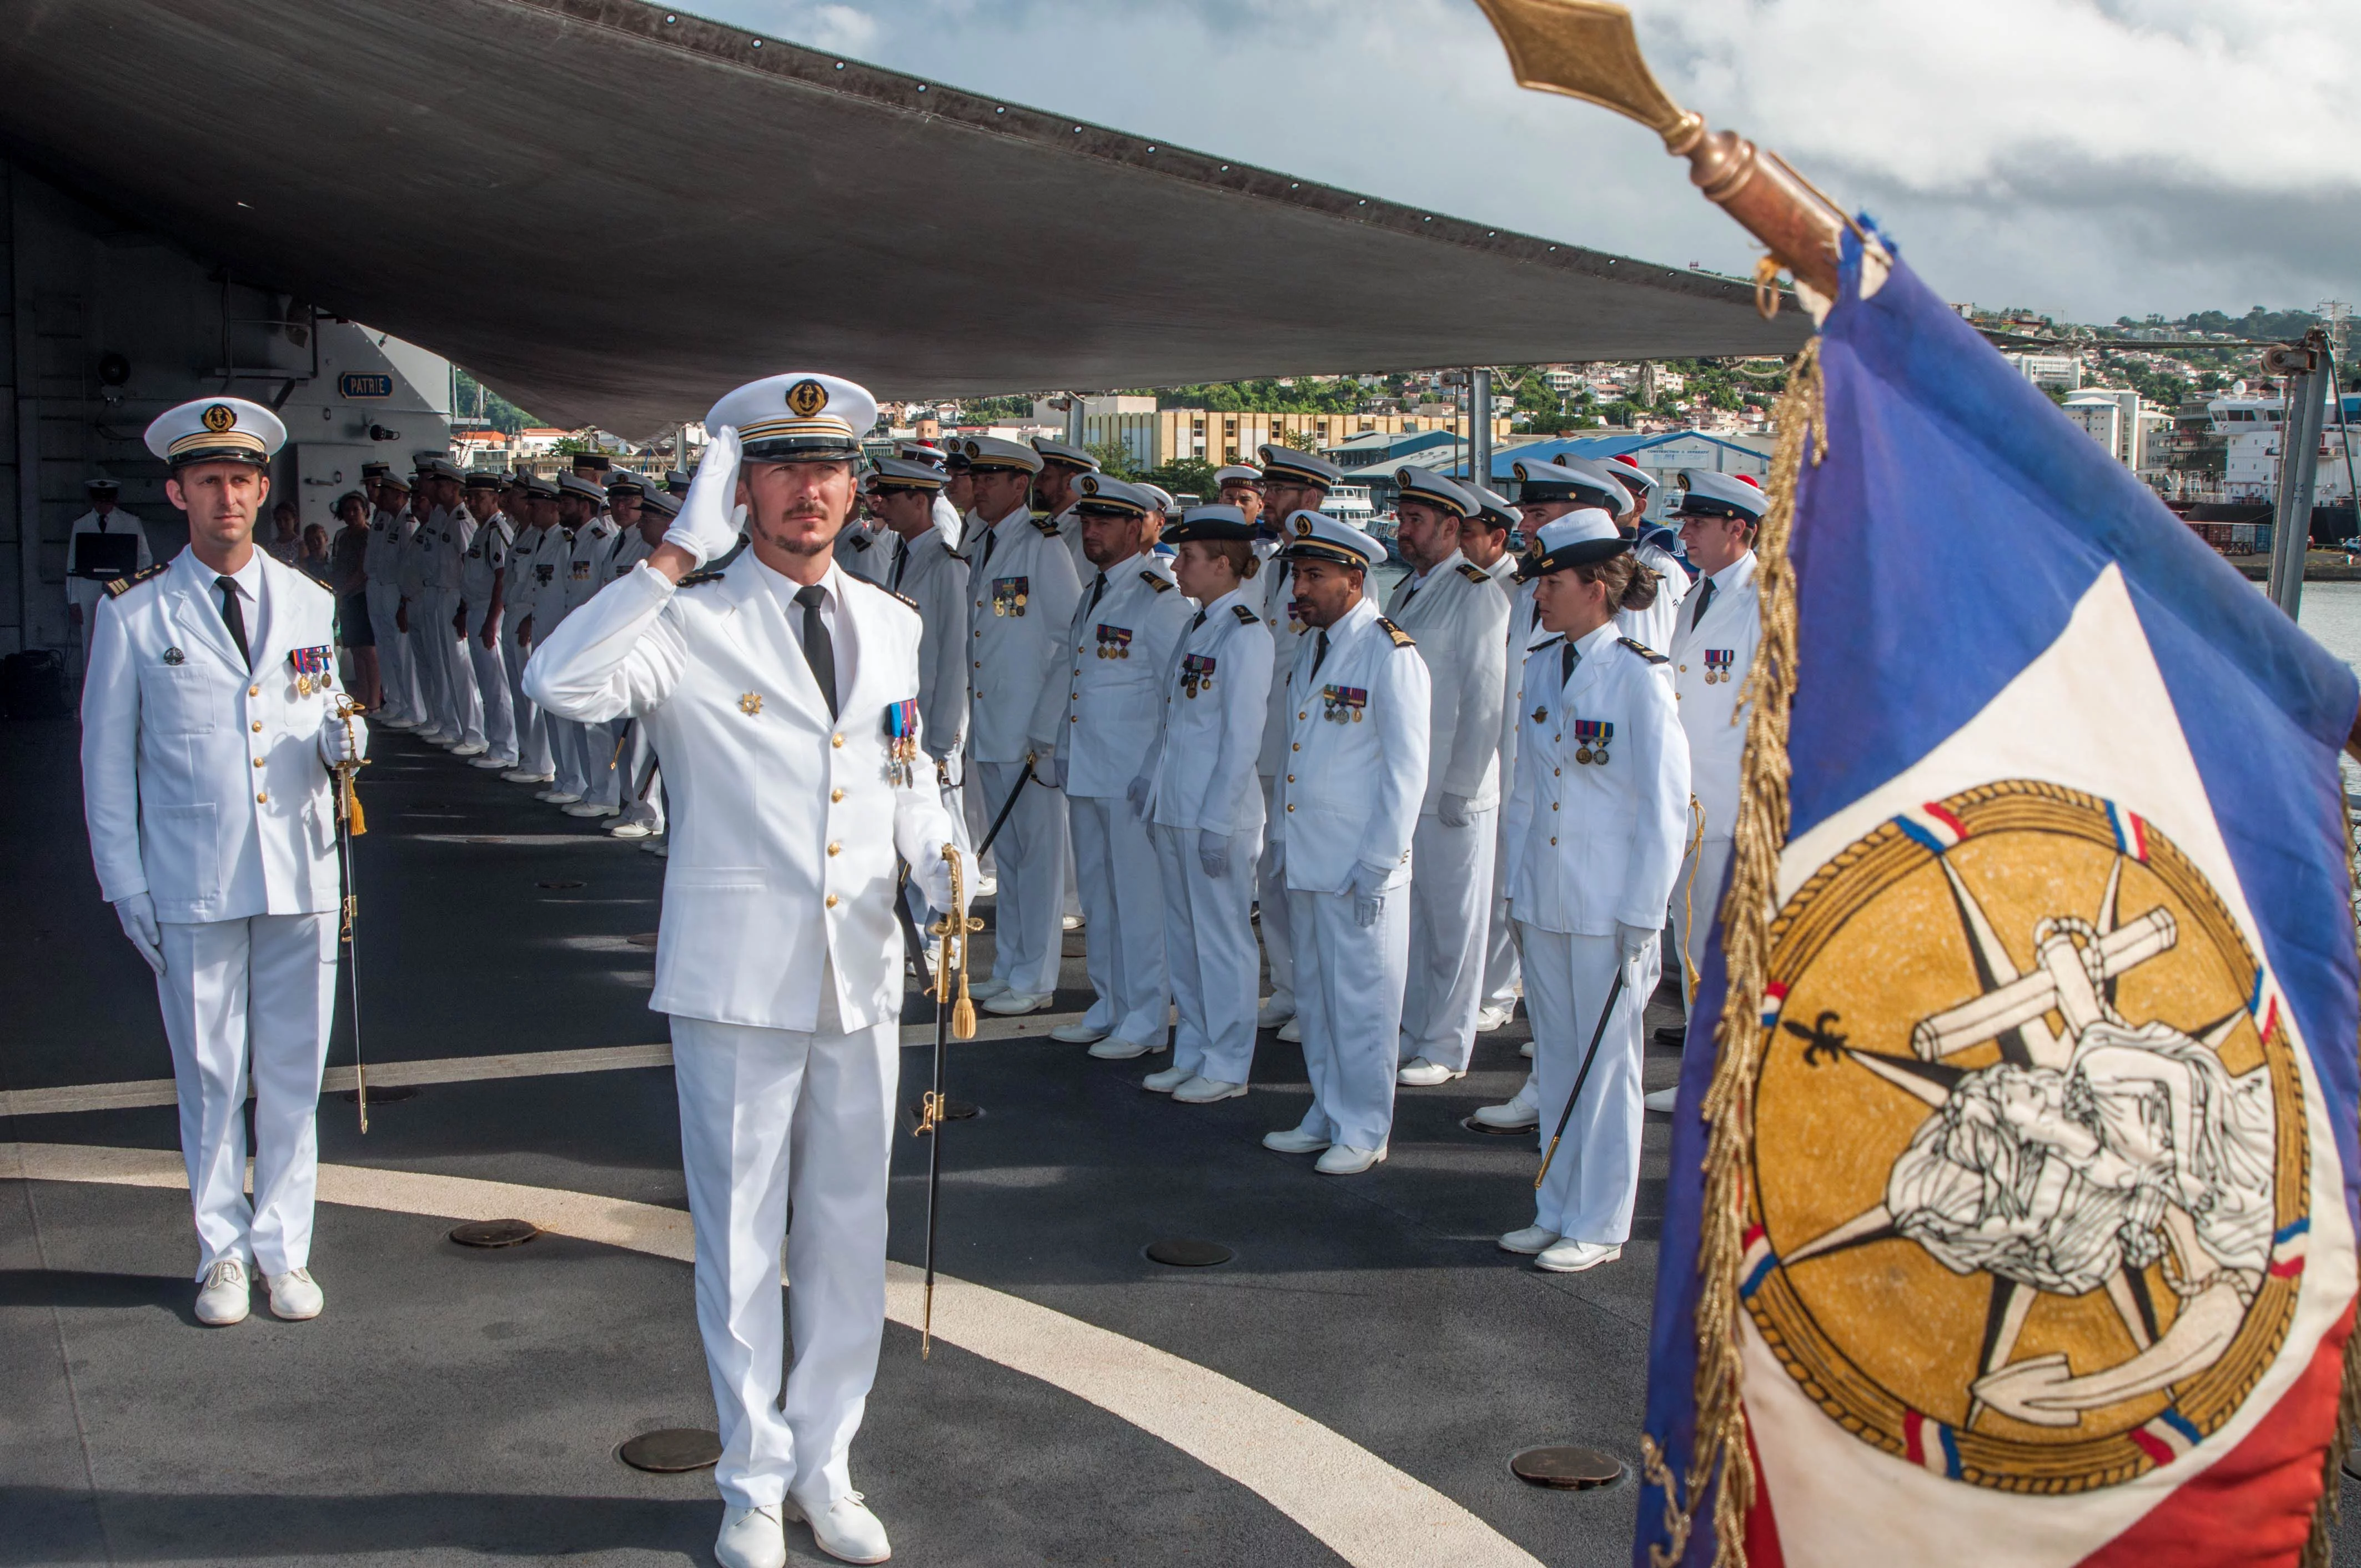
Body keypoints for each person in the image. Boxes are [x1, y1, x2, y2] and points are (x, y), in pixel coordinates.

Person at [525, 372, 957, 1568]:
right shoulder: (689, 623)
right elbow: (555, 684)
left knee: (843, 1227)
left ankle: (827, 1460)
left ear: (854, 488)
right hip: (734, 975)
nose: (807, 490)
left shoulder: (892, 621)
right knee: (739, 1240)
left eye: (826, 470)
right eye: (779, 468)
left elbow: (904, 767)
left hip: (860, 970)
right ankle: (751, 1478)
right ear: (741, 487)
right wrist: (669, 556)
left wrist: (936, 846)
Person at [80, 395, 366, 1326]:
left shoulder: (309, 599)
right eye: (208, 480)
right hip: (192, 876)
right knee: (209, 1074)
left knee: (291, 1074)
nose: (227, 496)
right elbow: (104, 762)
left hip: (299, 869)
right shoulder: (134, 615)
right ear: (177, 492)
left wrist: (343, 740)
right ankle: (221, 1254)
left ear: (261, 489)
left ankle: (286, 1251)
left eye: (241, 480)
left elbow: (318, 715)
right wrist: (125, 883)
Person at [1497, 509, 1687, 1272]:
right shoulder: (1544, 664)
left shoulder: (1641, 676)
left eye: (1554, 580)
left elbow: (1665, 807)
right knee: (1561, 1061)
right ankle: (1557, 1203)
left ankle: (1601, 1223)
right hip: (1546, 896)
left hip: (1610, 906)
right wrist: (1515, 886)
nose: (1540, 593)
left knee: (1607, 1069)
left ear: (1598, 588)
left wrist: (1644, 915)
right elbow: (1524, 793)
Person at [1264, 509, 1430, 1175]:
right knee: (1319, 995)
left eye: (1313, 575)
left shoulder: (1391, 653)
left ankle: (1365, 1126)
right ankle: (1327, 1108)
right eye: (1296, 575)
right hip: (1310, 855)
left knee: (1363, 1003)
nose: (1297, 589)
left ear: (1355, 579)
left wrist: (1378, 861)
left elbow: (1405, 768)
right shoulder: (1316, 645)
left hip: (1361, 863)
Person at [1046, 474, 1194, 1052]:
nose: (1090, 530)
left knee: (1139, 903)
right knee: (1101, 898)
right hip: (1090, 768)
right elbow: (1081, 680)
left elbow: (1174, 697)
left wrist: (1154, 771)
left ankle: (1145, 1018)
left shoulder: (1159, 596)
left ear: (1138, 529)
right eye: (1086, 519)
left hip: (1131, 777)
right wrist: (1062, 745)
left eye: (1104, 521)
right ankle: (1109, 1002)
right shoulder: (1098, 589)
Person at [1133, 505, 1274, 1102]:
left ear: (1222, 564)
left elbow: (1242, 738)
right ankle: (1192, 1047)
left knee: (1222, 943)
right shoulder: (1199, 623)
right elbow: (1174, 718)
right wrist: (1150, 780)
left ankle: (1228, 1062)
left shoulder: (1246, 632)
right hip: (1177, 806)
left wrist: (1217, 822)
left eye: (1188, 558)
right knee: (1185, 938)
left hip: (1216, 814)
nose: (1179, 567)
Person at [1382, 467, 1510, 1088]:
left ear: (1451, 527)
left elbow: (1487, 700)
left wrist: (1463, 781)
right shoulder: (1407, 590)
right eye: (1401, 519)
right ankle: (1412, 1027)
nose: (1402, 531)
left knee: (1455, 926)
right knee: (1413, 921)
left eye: (1414, 521)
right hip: (1411, 785)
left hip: (1454, 791)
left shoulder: (1477, 591)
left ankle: (1446, 1043)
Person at [1645, 469, 1768, 1107]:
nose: (1684, 531)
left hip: (1733, 809)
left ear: (1739, 530)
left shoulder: (1765, 599)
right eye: (1685, 519)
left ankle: (1722, 1083)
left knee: (1724, 952)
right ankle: (1705, 1074)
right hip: (1690, 805)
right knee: (1694, 944)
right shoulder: (1698, 595)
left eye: (1698, 522)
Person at [960, 436, 1081, 1014]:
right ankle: (1008, 966)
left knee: (1037, 860)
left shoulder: (1041, 547)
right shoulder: (982, 543)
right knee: (1008, 860)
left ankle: (1034, 979)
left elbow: (1069, 638)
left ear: (1019, 486)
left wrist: (1047, 726)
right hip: (989, 723)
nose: (978, 487)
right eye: (975, 478)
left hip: (1028, 731)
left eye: (991, 479)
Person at [1250, 444, 1347, 1041]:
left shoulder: (1338, 574)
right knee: (1272, 874)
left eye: (1281, 491)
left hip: (1306, 749)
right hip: (1266, 739)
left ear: (1310, 498)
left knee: (1304, 873)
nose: (1268, 500)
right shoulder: (1269, 565)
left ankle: (1312, 992)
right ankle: (1288, 985)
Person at [867, 455, 971, 928]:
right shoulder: (901, 555)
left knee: (940, 833)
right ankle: (920, 927)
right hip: (903, 718)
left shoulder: (946, 566)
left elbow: (954, 655)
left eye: (891, 497)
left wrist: (946, 734)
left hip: (932, 722)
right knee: (909, 830)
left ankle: (943, 936)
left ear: (919, 500)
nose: (881, 506)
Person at [1461, 483, 1524, 1034]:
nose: (1458, 543)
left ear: (1496, 538)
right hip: (1484, 750)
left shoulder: (1510, 589)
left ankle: (1499, 990)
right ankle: (1480, 985)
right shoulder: (1465, 588)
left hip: (1513, 751)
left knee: (1502, 875)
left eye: (1468, 533)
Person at [539, 473, 618, 811]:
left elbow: (604, 593)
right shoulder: (574, 540)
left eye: (566, 503)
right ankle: (585, 784)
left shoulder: (600, 540)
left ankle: (604, 793)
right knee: (574, 717)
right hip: (572, 637)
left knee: (594, 723)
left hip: (592, 640)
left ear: (585, 506)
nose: (560, 508)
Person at [499, 476, 564, 787]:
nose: (530, 509)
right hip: (520, 614)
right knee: (520, 692)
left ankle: (541, 762)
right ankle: (528, 757)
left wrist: (533, 616)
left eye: (536, 505)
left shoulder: (560, 539)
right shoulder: (528, 535)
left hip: (534, 618)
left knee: (534, 696)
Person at [457, 471, 519, 771]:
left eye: (479, 498)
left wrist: (492, 621)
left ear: (495, 500)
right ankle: (496, 742)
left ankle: (506, 748)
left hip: (489, 611)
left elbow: (501, 576)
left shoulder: (497, 531)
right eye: (469, 498)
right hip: (477, 608)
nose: (472, 504)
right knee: (487, 682)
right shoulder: (482, 530)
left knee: (497, 685)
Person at [362, 466, 424, 728]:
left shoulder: (407, 521)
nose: (377, 495)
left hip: (396, 589)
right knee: (386, 647)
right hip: (378, 585)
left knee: (402, 650)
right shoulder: (383, 518)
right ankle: (396, 702)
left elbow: (407, 563)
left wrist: (403, 601)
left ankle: (413, 708)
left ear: (400, 496)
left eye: (384, 491)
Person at [64, 478, 153, 654]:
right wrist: (73, 600)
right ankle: (91, 681)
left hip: (121, 586)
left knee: (120, 637)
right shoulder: (81, 524)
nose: (103, 506)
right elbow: (72, 562)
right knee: (89, 639)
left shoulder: (130, 522)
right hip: (88, 588)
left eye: (107, 501)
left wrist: (137, 588)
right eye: (99, 501)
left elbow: (145, 559)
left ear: (115, 500)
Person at [328, 492, 380, 712]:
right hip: (345, 596)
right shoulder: (342, 535)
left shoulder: (368, 535)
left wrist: (344, 591)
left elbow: (363, 570)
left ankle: (374, 698)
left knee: (368, 650)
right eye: (347, 510)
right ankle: (362, 693)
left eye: (355, 510)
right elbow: (338, 565)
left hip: (362, 595)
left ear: (365, 511)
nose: (351, 514)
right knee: (355, 649)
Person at [1029, 436, 1099, 575]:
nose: (1035, 484)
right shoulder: (1043, 525)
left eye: (1045, 477)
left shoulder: (1086, 533)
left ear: (1070, 482)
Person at [264, 500, 303, 565]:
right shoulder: (270, 546)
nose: (282, 524)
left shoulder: (301, 545)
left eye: (286, 520)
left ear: (295, 520)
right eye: (279, 520)